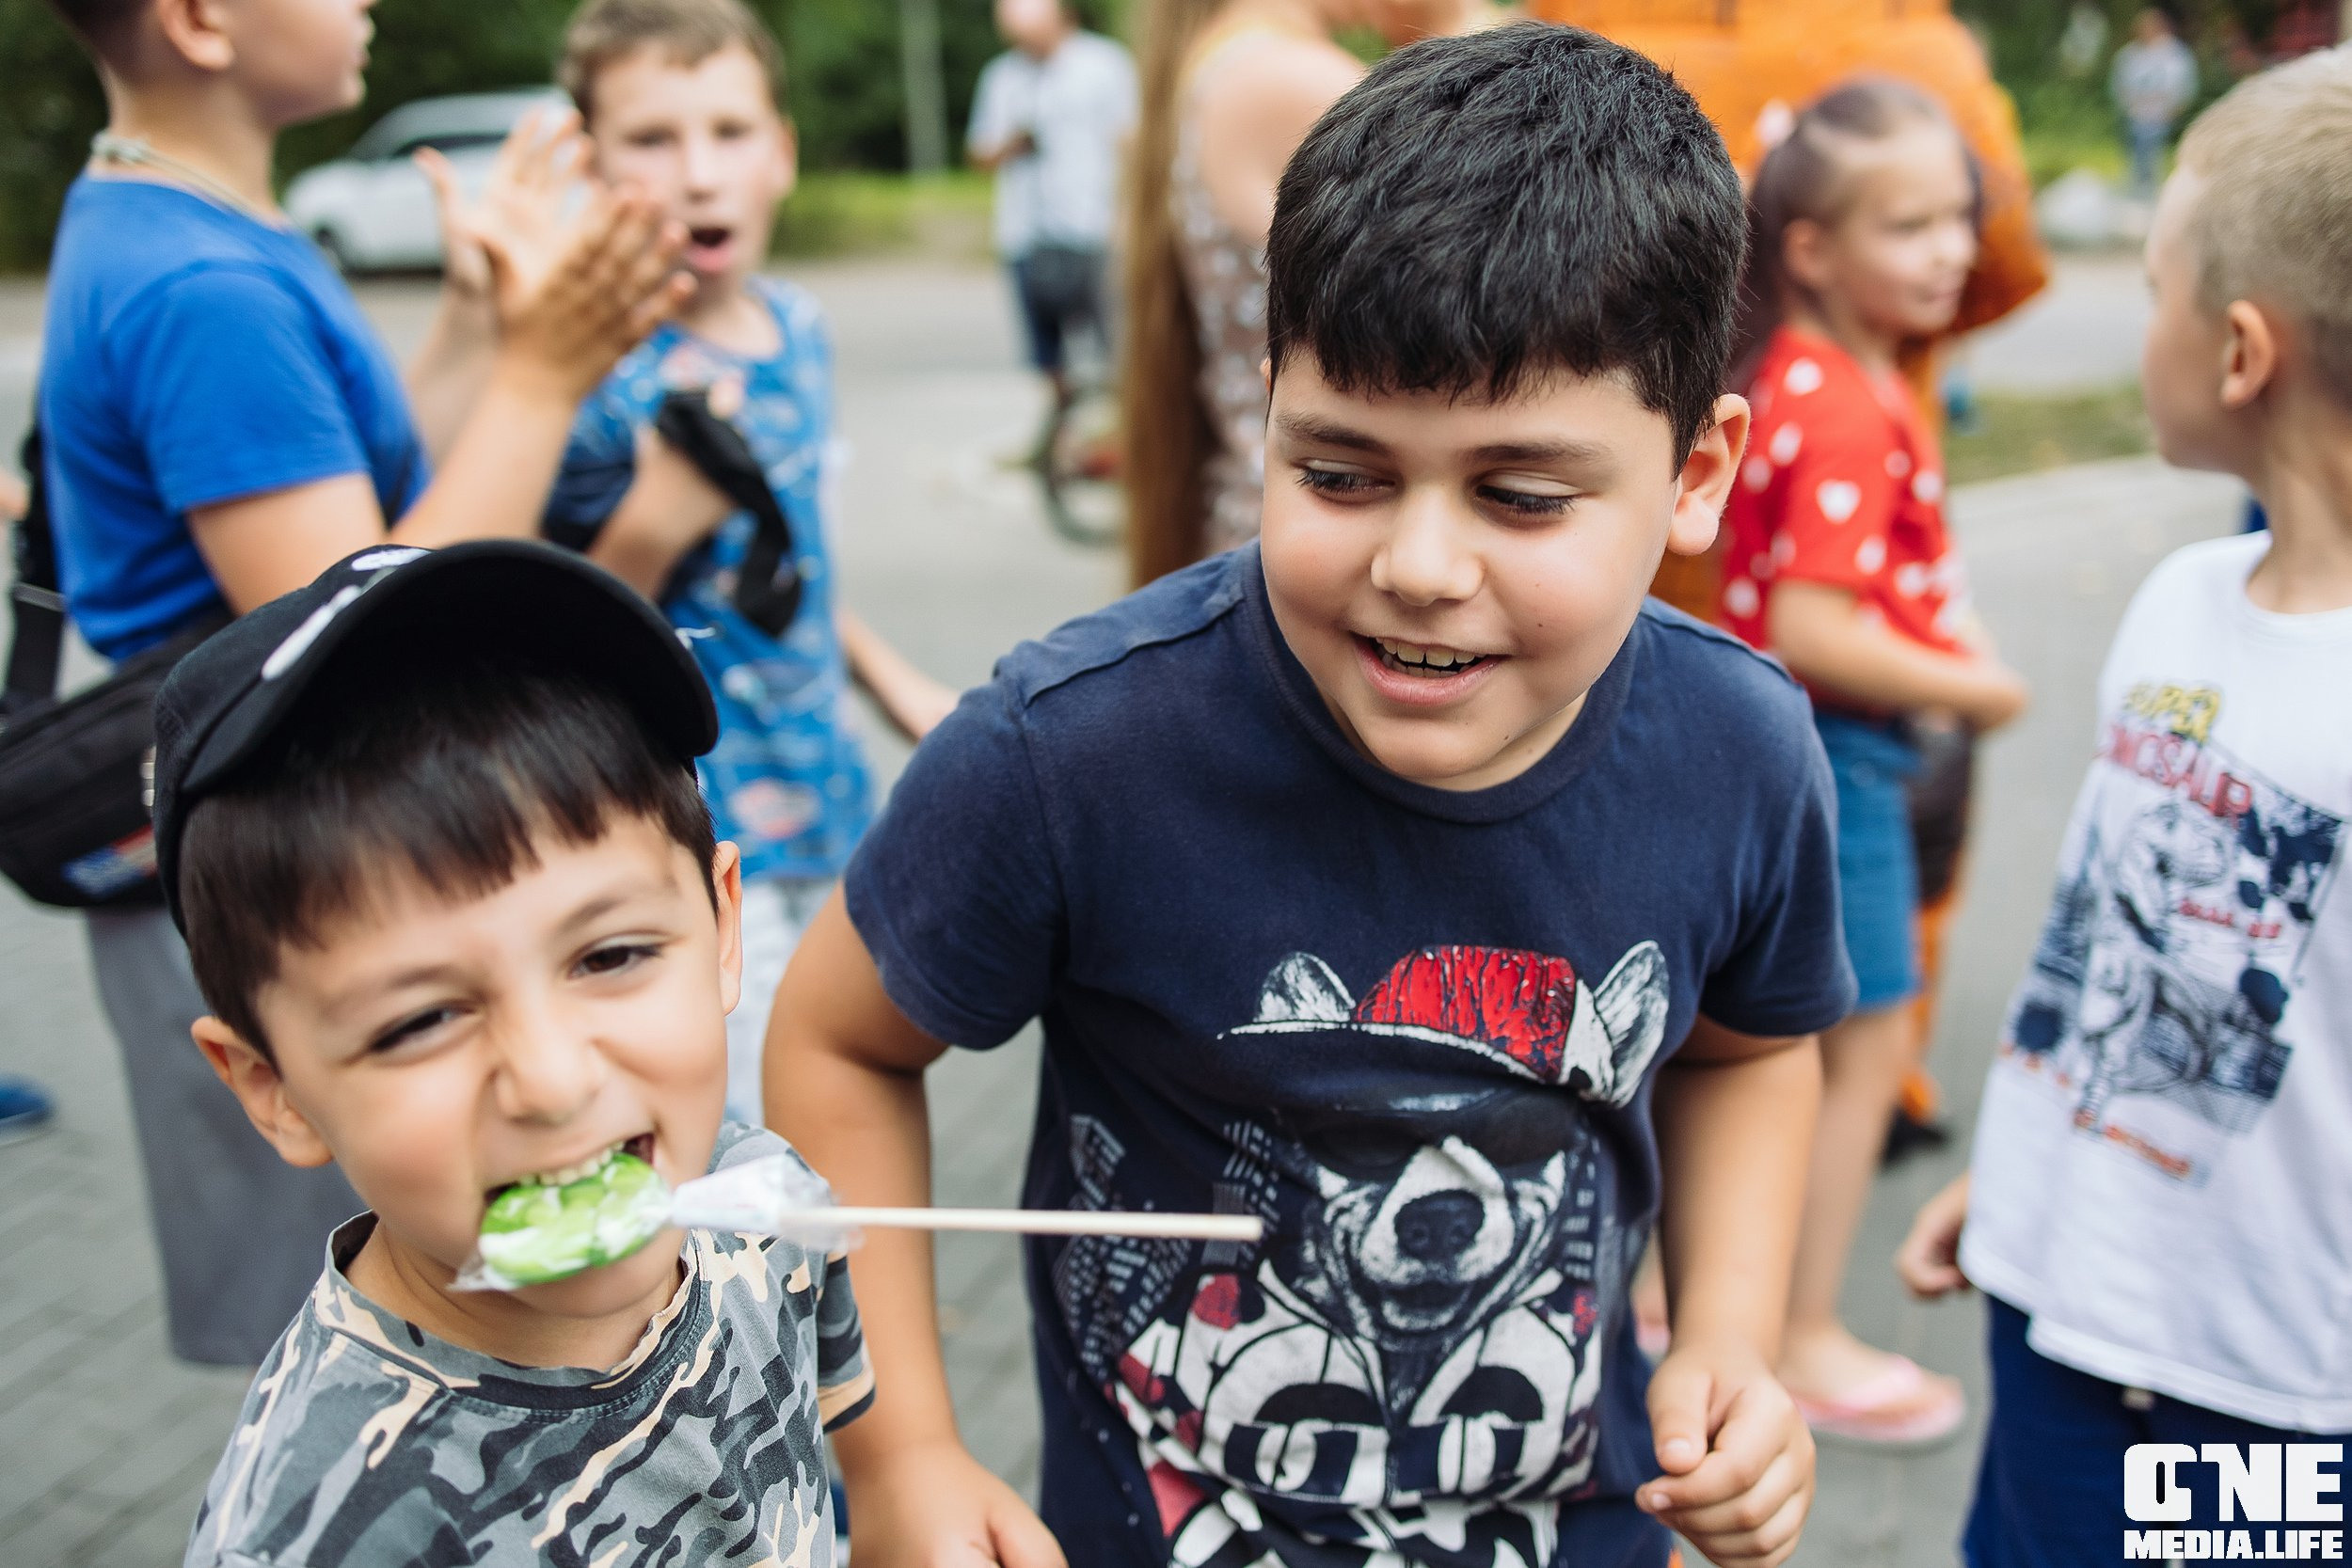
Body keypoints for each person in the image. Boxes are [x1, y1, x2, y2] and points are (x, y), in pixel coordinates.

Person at [775, 26, 1849, 1567]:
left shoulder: (1743, 750)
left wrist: (1731, 1337)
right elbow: (832, 1040)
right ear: (1269, 400)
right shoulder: (1066, 750)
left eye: (1520, 493)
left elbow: (1751, 1050)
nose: (1417, 564)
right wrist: (900, 1454)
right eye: (1338, 471)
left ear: (1698, 469)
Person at [35, 0, 687, 1364]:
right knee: (406, 1346)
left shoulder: (200, 223)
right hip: (326, 900)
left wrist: (473, 323)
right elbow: (344, 626)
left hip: (342, 875)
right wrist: (543, 374)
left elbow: (373, 493)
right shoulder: (199, 289)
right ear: (203, 20)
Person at [157, 541, 870, 1566]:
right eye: (417, 1021)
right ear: (277, 1090)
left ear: (721, 927)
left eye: (610, 954)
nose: (551, 1078)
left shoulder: (761, 1195)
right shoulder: (320, 1526)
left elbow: (842, 1425)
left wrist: (901, 1476)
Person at [1899, 50, 2352, 1564]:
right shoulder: (2179, 600)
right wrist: (2048, 1155)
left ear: (2236, 350)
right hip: (2065, 1313)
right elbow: (2110, 934)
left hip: (2272, 1406)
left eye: (2149, 283)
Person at [542, 0, 956, 1127]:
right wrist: (657, 515)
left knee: (843, 1090)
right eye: (652, 139)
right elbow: (548, 639)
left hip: (829, 799)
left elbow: (794, 554)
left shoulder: (797, 324)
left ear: (782, 150)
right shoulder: (587, 373)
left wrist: (891, 681)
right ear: (587, 161)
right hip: (693, 827)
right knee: (760, 1135)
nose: (697, 174)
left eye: (728, 133)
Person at [1713, 78, 2029, 1445]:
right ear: (1812, 249)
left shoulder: (1811, 375)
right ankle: (1798, 1333)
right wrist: (1984, 685)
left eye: (1958, 217)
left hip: (1797, 754)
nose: (1952, 250)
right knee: (1861, 1043)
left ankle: (1712, 1306)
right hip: (1839, 759)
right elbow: (1812, 624)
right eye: (1910, 225)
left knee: (1775, 1040)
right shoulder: (1844, 403)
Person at [1120, 0, 1362, 586]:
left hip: (1260, 535)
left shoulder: (1230, 62)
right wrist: (1457, 26)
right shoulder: (1295, 79)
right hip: (1325, 570)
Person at [967, 0, 1137, 431]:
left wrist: (1129, 215)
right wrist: (1012, 144)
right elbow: (979, 153)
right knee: (1046, 353)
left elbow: (1131, 143)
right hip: (1025, 232)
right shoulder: (1003, 75)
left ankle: (1122, 434)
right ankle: (1062, 434)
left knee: (1116, 344)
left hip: (1094, 228)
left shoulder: (1104, 65)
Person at [2111, 8, 2198, 198]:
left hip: (2161, 116)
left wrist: (2174, 109)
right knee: (2135, 154)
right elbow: (2119, 85)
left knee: (2152, 152)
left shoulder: (2174, 54)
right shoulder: (2130, 54)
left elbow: (2182, 86)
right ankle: (2137, 191)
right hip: (2136, 115)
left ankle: (2153, 192)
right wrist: (2130, 106)